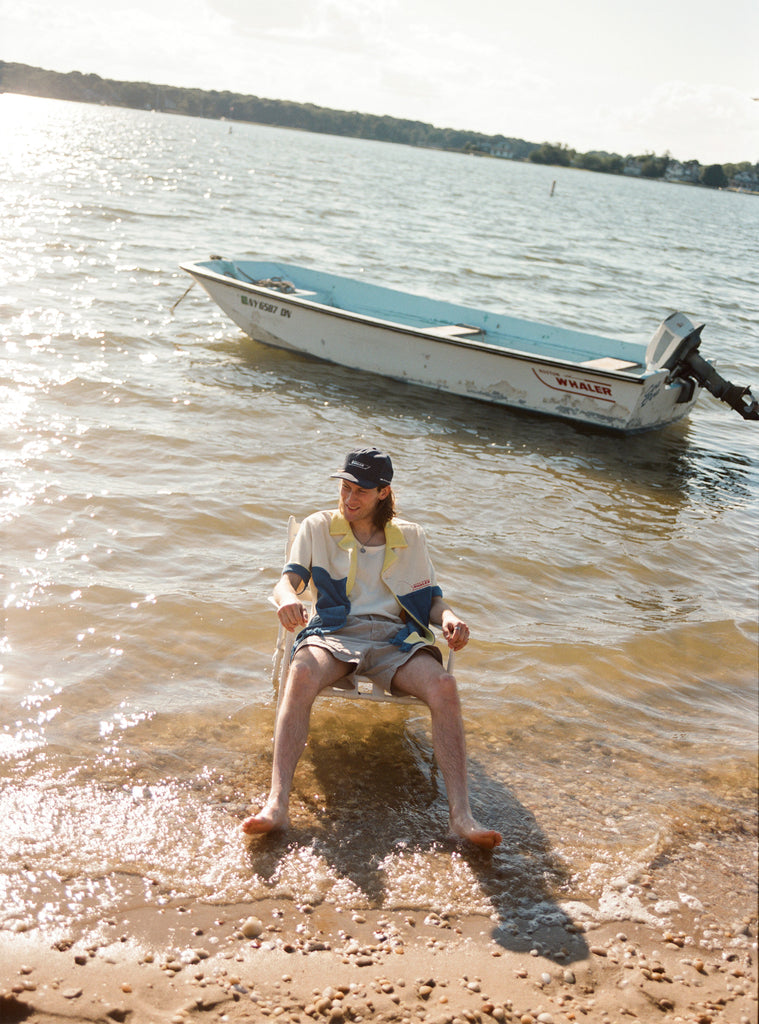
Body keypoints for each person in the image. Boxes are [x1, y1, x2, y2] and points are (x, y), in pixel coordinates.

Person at [242, 447, 502, 850]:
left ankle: (461, 818)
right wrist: (286, 601)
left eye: (360, 491)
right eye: (345, 487)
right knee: (303, 670)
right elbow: (286, 582)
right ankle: (277, 805)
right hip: (335, 632)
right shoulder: (318, 527)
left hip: (394, 640)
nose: (348, 498)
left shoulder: (410, 537)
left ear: (383, 492)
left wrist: (449, 618)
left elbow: (431, 598)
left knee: (444, 687)